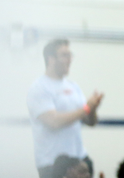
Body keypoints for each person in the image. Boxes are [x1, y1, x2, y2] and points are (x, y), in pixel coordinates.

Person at [27, 39, 104, 178]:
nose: (69, 60)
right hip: (52, 164)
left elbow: (90, 122)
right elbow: (54, 121)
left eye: (70, 55)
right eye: (64, 55)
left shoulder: (73, 87)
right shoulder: (39, 88)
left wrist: (93, 109)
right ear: (51, 59)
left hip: (79, 160)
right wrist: (86, 108)